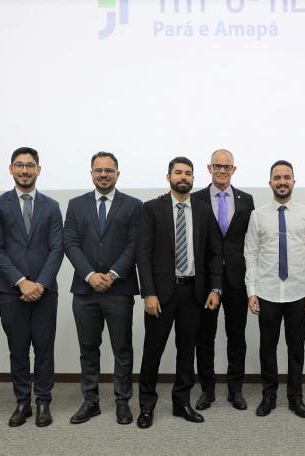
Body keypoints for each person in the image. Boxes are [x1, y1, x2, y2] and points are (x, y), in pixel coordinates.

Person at [136, 156, 223, 429]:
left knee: (187, 351)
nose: (183, 177)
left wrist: (215, 288)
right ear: (169, 177)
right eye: (178, 173)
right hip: (160, 294)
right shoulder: (151, 209)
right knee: (153, 351)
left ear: (193, 178)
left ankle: (181, 402)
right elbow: (144, 254)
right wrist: (148, 293)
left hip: (193, 293)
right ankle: (147, 407)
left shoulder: (203, 209)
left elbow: (213, 253)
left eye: (188, 173)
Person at [0, 147, 64, 428]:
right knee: (18, 349)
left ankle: (43, 402)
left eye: (30, 165)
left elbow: (57, 249)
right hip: (10, 291)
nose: (25, 170)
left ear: (39, 170)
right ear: (11, 169)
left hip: (44, 292)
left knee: (44, 349)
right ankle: (22, 402)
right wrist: (21, 281)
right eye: (19, 165)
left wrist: (39, 283)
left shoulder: (51, 206)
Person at [63, 151, 142, 425]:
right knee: (88, 348)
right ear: (91, 174)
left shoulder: (134, 205)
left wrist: (111, 274)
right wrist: (89, 275)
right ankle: (91, 402)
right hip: (85, 291)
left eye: (109, 170)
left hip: (119, 290)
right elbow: (70, 243)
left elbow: (134, 244)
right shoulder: (75, 205)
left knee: (122, 348)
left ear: (117, 174)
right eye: (98, 170)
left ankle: (122, 402)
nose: (104, 174)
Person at [244, 160, 305, 419]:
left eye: (287, 177)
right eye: (277, 178)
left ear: (294, 182)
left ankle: (295, 398)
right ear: (270, 183)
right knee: (268, 347)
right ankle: (269, 396)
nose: (282, 181)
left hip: (298, 292)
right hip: (266, 292)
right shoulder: (258, 215)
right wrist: (251, 291)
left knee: (296, 348)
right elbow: (250, 253)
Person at [192, 149, 254, 411]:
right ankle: (207, 390)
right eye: (217, 165)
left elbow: (250, 240)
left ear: (234, 170)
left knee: (236, 337)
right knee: (204, 337)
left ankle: (235, 390)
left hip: (237, 279)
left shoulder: (246, 200)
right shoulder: (194, 198)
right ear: (209, 168)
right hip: (205, 280)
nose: (221, 170)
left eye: (226, 167)